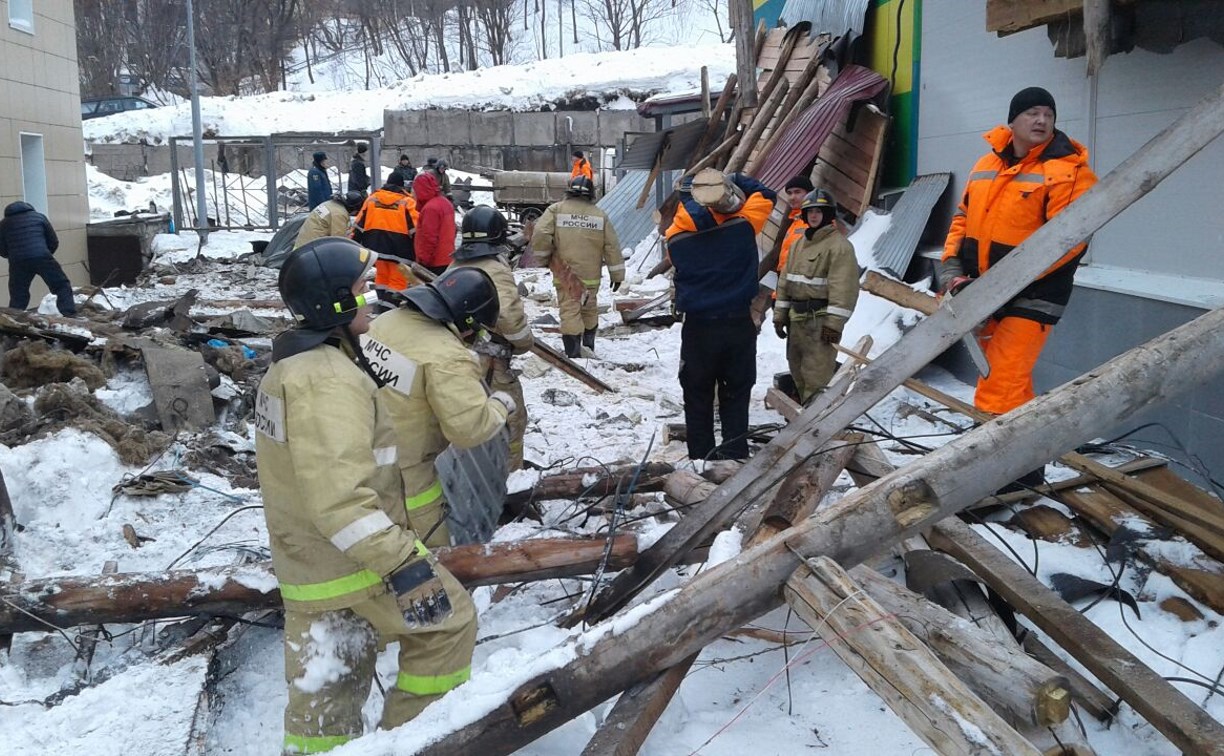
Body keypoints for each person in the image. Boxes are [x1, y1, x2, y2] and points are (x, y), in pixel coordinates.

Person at [254, 238, 477, 754]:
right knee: (449, 626)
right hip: (356, 563)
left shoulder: (295, 367)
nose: (371, 298)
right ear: (333, 302)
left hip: (312, 566)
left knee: (330, 682)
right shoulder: (325, 381)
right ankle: (411, 743)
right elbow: (340, 500)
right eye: (360, 289)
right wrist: (403, 562)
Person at [940, 86, 1098, 418]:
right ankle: (1027, 467)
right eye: (1032, 113)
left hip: (1033, 297)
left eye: (1049, 114)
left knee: (998, 385)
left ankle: (989, 461)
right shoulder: (986, 164)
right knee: (1014, 389)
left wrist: (1003, 284)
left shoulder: (1070, 172)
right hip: (984, 294)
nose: (1042, 120)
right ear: (1013, 120)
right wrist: (952, 270)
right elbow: (962, 218)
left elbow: (1069, 243)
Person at [363, 266, 515, 549]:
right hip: (405, 473)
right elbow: (469, 430)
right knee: (431, 557)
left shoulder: (387, 321)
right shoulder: (447, 356)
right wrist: (500, 405)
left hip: (359, 455)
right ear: (468, 320)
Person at [664, 169, 775, 461]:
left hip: (699, 328)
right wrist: (737, 177)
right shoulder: (744, 225)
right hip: (737, 324)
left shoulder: (675, 239)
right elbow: (766, 195)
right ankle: (735, 452)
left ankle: (701, 457)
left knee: (697, 393)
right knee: (736, 392)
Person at [448, 206, 534, 470]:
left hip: (457, 356)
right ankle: (509, 476)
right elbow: (509, 319)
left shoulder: (453, 265)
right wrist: (524, 342)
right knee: (512, 418)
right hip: (491, 364)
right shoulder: (495, 269)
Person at [773, 189, 859, 403]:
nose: (814, 216)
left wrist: (834, 325)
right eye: (810, 211)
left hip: (819, 324)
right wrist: (779, 316)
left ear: (829, 215)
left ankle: (815, 426)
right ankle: (802, 417)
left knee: (817, 377)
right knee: (797, 371)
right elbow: (785, 283)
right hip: (797, 322)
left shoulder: (840, 247)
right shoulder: (798, 245)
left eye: (819, 212)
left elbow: (844, 290)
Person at [530, 175, 624, 357]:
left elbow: (541, 233)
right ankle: (588, 346)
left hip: (566, 274)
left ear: (569, 191)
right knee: (589, 308)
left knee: (570, 310)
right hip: (591, 276)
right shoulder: (599, 215)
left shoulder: (556, 210)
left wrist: (543, 258)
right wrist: (617, 276)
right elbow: (612, 246)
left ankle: (574, 354)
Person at [0, 202, 76, 315]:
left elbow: (1, 248)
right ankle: (69, 315)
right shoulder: (39, 217)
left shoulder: (4, 224)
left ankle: (13, 320)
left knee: (18, 294)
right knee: (61, 285)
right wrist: (45, 253)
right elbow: (53, 241)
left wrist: (13, 256)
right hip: (42, 256)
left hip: (18, 261)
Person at [353, 172, 418, 301]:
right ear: (402, 186)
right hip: (400, 251)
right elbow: (415, 229)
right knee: (398, 282)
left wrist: (354, 243)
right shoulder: (407, 202)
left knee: (381, 278)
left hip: (376, 249)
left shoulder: (373, 198)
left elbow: (359, 224)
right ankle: (391, 311)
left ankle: (380, 306)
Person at [411, 171, 455, 275]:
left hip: (434, 262)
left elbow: (429, 238)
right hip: (447, 258)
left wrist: (423, 261)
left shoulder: (430, 209)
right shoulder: (445, 203)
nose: (413, 193)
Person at [293, 191, 364, 249]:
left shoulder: (330, 204)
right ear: (352, 208)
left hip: (302, 245)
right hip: (312, 250)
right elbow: (339, 241)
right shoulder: (339, 214)